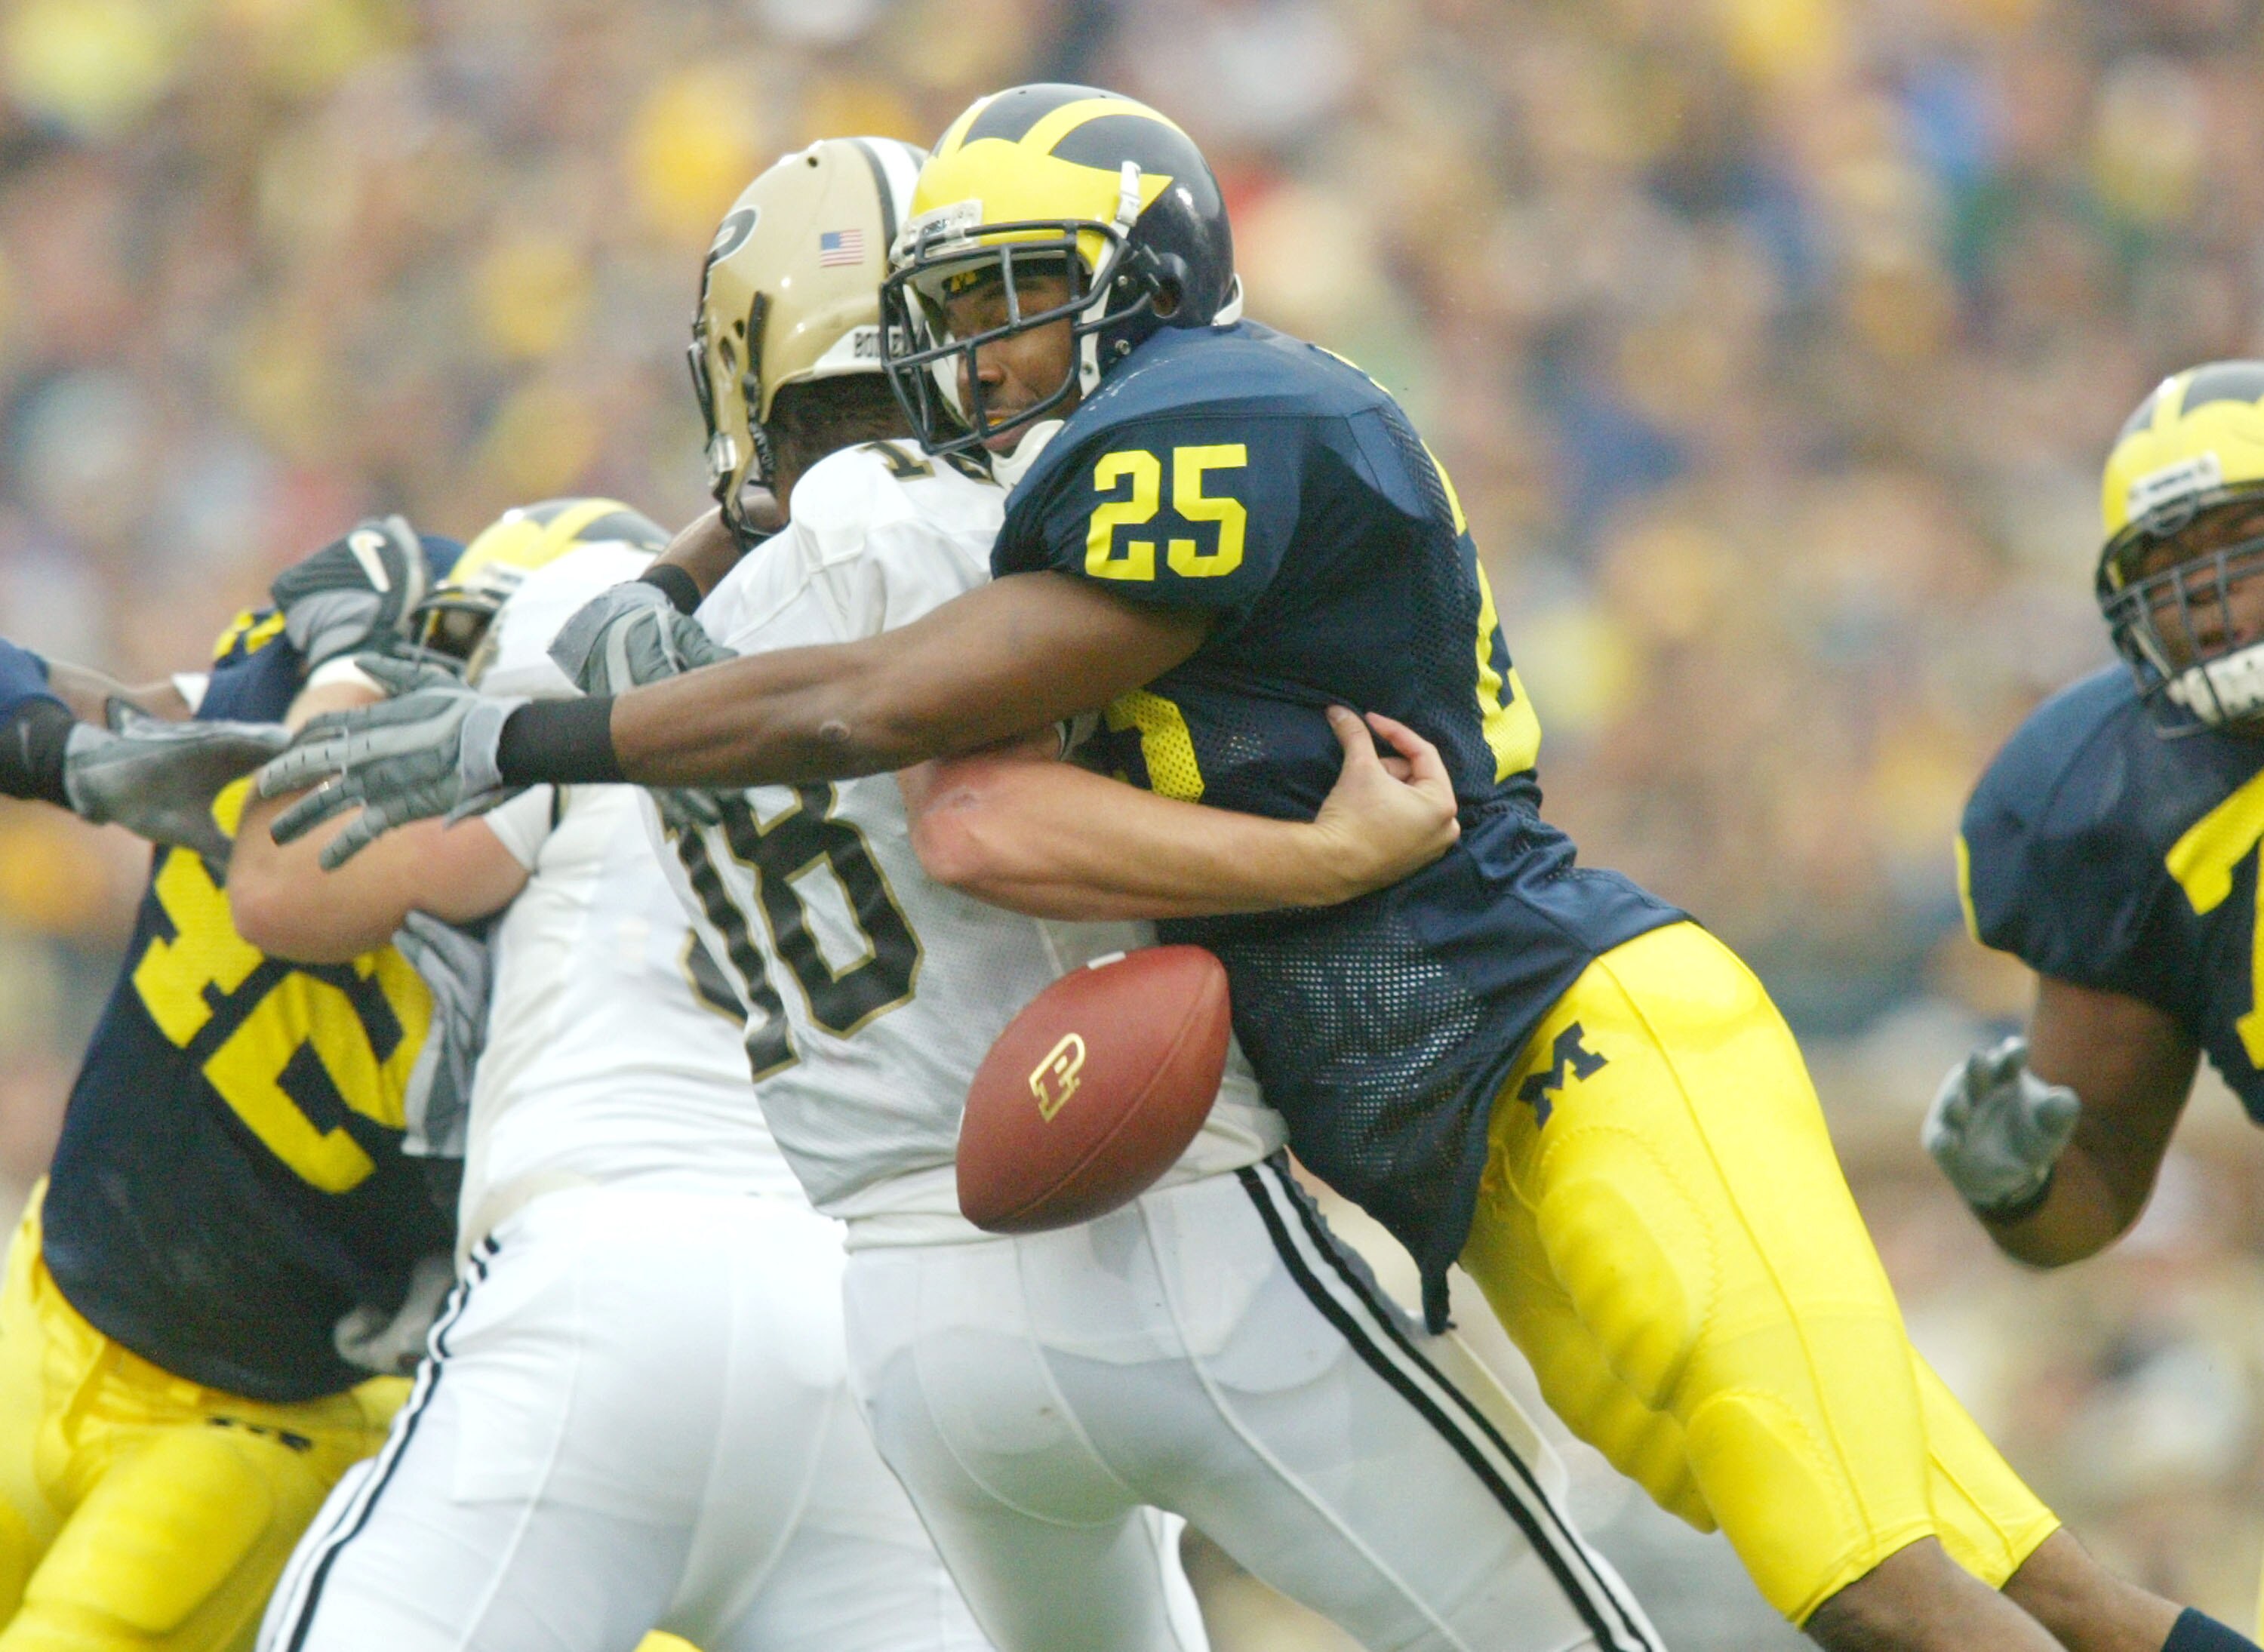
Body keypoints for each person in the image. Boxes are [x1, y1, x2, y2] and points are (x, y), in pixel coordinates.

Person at [258, 85, 2247, 1652]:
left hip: (1542, 1032)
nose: (981, 349)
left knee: (1865, 1567)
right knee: (2002, 1575)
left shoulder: (1207, 419)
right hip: (1380, 1132)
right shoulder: (951, 522)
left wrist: (532, 691)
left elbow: (901, 739)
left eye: (1012, 293)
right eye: (944, 308)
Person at [567, 140, 1664, 1652]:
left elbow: (596, 659)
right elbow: (972, 808)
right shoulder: (948, 525)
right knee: (1570, 1636)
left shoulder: (666, 656)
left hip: (911, 1316)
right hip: (1168, 1225)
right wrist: (1329, 858)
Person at [229, 476, 998, 1652]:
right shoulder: (991, 592)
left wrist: (352, 662)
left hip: (606, 1278)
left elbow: (292, 880)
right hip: (903, 1323)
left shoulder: (593, 605)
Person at [0, 519, 491, 1652]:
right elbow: (116, 709)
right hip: (50, 1297)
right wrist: (39, 735)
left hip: (249, 1421)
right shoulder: (298, 703)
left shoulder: (551, 951)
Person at [1930, 361, 2264, 1635]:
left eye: (2251, 545)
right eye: (2186, 570)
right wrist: (2019, 1182)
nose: (2229, 603)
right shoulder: (2110, 804)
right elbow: (2089, 1201)